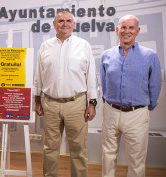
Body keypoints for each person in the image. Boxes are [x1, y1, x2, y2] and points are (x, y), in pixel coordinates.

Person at [33, 9, 98, 177]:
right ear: (54, 24)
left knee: (78, 149)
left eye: (68, 21)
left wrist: (92, 103)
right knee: (50, 148)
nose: (65, 24)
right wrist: (37, 101)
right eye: (61, 21)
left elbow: (91, 76)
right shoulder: (45, 46)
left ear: (74, 24)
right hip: (50, 104)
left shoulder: (83, 46)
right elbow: (39, 75)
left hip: (76, 104)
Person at [100, 15, 162, 177]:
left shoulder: (150, 55)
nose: (127, 31)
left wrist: (149, 105)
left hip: (137, 114)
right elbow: (104, 83)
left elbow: (155, 84)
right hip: (110, 112)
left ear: (137, 31)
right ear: (117, 30)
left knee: (136, 158)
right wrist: (107, 102)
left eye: (131, 28)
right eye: (123, 27)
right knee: (108, 154)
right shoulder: (107, 55)